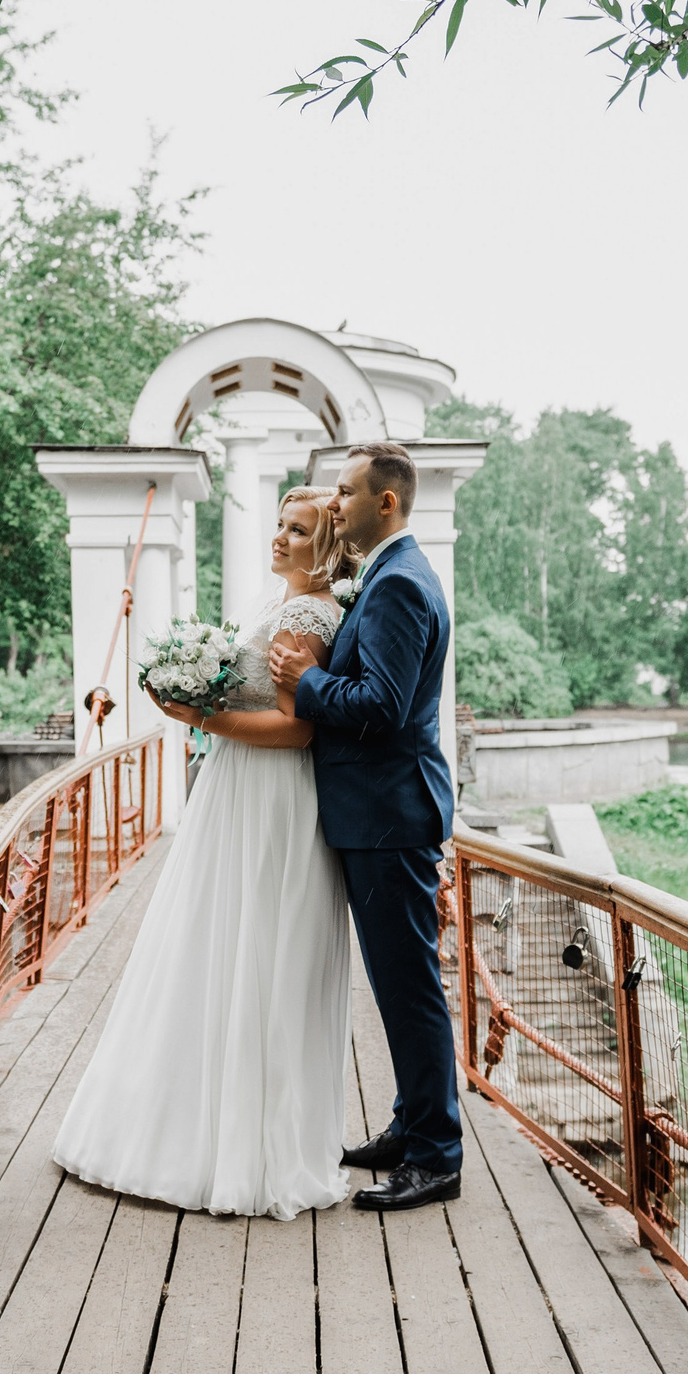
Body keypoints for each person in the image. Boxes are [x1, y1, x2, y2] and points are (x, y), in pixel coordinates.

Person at [50, 488, 355, 1218]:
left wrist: (201, 717)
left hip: (270, 793)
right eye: (278, 524)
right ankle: (197, 1124)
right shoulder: (280, 604)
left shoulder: (310, 617)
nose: (278, 538)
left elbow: (298, 728)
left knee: (253, 943)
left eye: (298, 530)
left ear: (326, 546)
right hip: (237, 787)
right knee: (217, 938)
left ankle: (238, 1146)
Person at [271, 442, 464, 1212]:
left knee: (411, 991)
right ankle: (411, 1126)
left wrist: (306, 681)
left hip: (390, 817)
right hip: (379, 816)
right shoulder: (386, 575)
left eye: (346, 491)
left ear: (386, 501)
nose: (334, 502)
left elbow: (381, 707)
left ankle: (437, 1157)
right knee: (398, 987)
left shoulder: (398, 584)